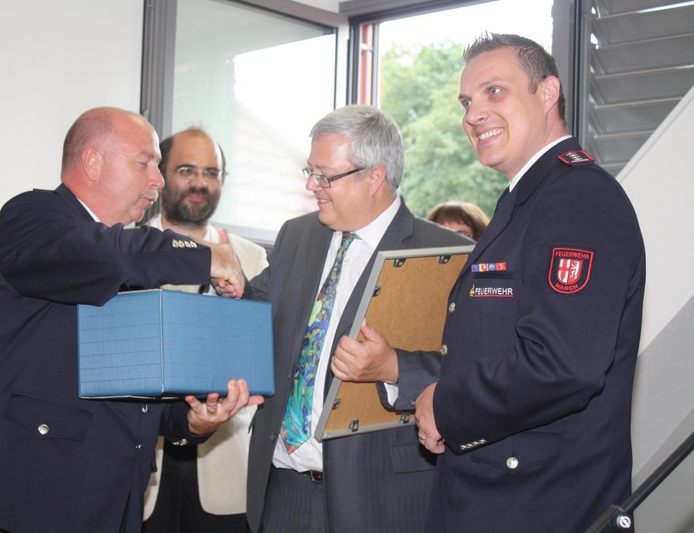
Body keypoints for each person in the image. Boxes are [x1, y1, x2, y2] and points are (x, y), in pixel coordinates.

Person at [0, 107, 263, 533]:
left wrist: (192, 420)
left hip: (111, 509)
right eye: (144, 163)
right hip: (24, 507)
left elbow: (133, 392)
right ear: (93, 162)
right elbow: (105, 254)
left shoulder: (130, 262)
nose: (157, 180)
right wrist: (204, 255)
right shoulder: (31, 218)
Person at [414, 34, 646, 532]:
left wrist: (446, 405)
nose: (474, 114)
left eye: (494, 91)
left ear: (548, 93)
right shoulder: (526, 200)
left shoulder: (576, 196)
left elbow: (564, 364)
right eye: (466, 102)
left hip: (540, 507)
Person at [245, 105, 471, 533]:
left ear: (374, 177)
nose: (312, 185)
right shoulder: (296, 235)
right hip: (282, 492)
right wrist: (226, 281)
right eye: (310, 172)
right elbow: (255, 310)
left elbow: (475, 371)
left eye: (325, 176)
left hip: (379, 500)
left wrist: (393, 367)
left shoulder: (446, 255)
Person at [142, 127, 268, 532]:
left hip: (225, 467)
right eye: (186, 170)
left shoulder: (251, 257)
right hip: (143, 468)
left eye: (211, 173)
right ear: (160, 174)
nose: (200, 182)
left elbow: (266, 354)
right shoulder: (125, 249)